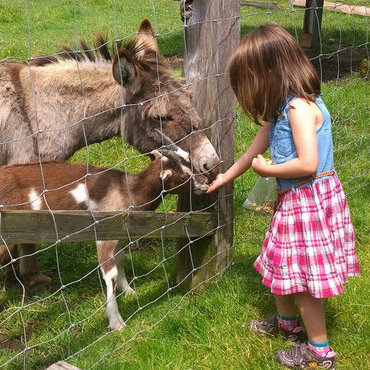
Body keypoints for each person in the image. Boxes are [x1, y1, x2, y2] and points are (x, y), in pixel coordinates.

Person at [207, 23, 359, 369]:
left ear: (271, 72)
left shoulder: (299, 110)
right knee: (280, 264)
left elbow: (308, 163)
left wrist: (269, 171)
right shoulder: (280, 110)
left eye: (250, 79)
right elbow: (249, 156)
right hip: (295, 203)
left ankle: (320, 351)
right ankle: (287, 325)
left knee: (304, 281)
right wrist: (223, 179)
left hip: (309, 202)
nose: (248, 89)